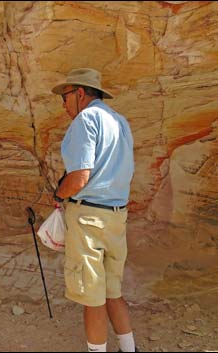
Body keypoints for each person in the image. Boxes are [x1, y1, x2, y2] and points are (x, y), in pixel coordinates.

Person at [51, 68, 137, 352]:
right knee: (113, 291)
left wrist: (58, 193)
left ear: (79, 93)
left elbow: (79, 177)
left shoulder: (85, 119)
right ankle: (129, 348)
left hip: (89, 217)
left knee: (93, 297)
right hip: (116, 216)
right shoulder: (120, 121)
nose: (63, 104)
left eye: (64, 97)